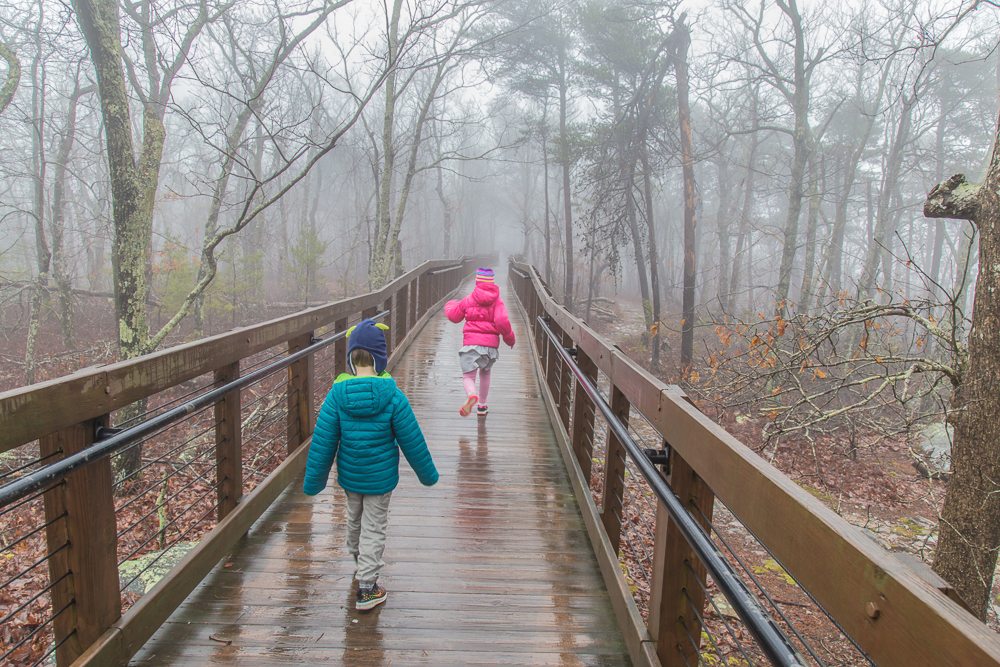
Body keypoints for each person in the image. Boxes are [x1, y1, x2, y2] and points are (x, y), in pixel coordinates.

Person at [303, 319, 438, 611]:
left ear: (351, 360)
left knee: (354, 520)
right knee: (374, 527)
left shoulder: (337, 396)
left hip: (351, 476)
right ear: (380, 360)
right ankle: (367, 588)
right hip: (380, 479)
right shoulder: (392, 396)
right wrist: (427, 474)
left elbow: (324, 441)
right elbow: (412, 439)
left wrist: (314, 480)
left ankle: (359, 561)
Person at [444, 267, 516, 417]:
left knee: (468, 376)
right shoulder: (497, 301)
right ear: (492, 283)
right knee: (485, 372)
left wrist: (450, 305)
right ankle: (482, 406)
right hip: (490, 347)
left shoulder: (469, 299)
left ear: (477, 282)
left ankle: (471, 394)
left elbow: (454, 316)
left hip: (471, 344)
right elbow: (502, 321)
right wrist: (509, 338)